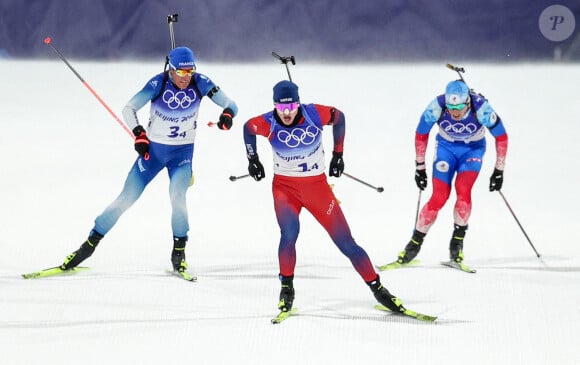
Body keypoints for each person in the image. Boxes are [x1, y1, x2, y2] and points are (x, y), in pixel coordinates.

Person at [59, 46, 238, 276]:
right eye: (181, 73)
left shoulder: (200, 82)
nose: (186, 78)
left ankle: (179, 253)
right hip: (152, 154)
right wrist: (139, 133)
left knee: (177, 196)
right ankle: (87, 247)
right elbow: (129, 107)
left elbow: (231, 103)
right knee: (125, 199)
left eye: (189, 72)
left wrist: (227, 115)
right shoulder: (158, 83)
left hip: (181, 155)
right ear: (171, 69)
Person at [243, 80, 406, 314]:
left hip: (317, 188)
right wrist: (253, 159)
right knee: (289, 233)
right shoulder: (267, 122)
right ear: (274, 106)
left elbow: (339, 117)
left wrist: (337, 155)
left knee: (346, 242)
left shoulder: (313, 114)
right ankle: (286, 288)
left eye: (291, 107)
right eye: (281, 108)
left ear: (298, 104)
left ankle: (379, 289)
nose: (287, 113)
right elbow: (248, 128)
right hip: (285, 189)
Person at [395, 79, 508, 265]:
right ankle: (414, 244)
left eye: (459, 107)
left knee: (463, 193)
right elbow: (421, 134)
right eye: (450, 107)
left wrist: (499, 170)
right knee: (439, 197)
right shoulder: (436, 106)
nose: (454, 112)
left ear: (468, 102)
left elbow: (501, 137)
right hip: (445, 150)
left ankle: (457, 244)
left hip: (472, 151)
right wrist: (419, 167)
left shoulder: (481, 108)